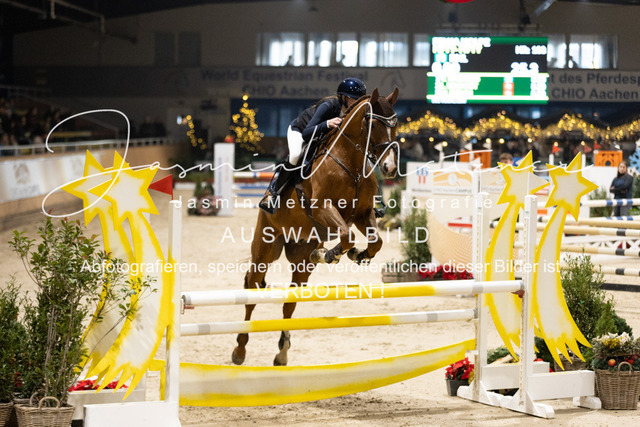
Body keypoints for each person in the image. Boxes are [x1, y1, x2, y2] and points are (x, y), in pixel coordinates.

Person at [259, 77, 367, 214]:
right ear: (344, 98)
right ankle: (273, 193)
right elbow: (306, 133)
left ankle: (372, 201)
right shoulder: (329, 106)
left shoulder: (353, 114)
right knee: (296, 155)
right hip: (300, 131)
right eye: (354, 100)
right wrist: (327, 124)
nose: (357, 104)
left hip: (320, 137)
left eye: (359, 101)